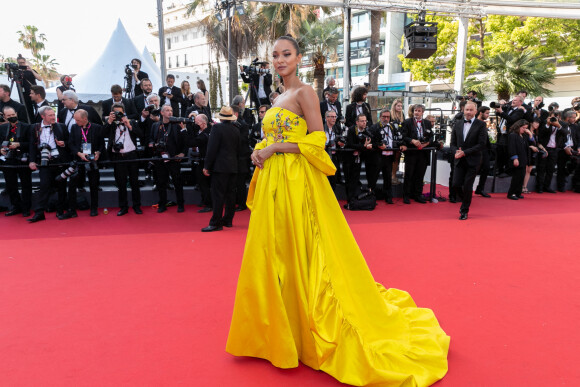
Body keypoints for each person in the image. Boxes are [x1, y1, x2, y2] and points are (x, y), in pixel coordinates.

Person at [226, 35, 449, 387]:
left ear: (298, 58)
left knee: (304, 250)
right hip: (274, 182)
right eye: (275, 55)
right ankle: (279, 328)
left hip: (296, 181)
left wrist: (275, 149)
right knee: (275, 250)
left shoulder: (304, 93)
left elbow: (317, 138)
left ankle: (306, 325)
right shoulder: (276, 97)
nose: (280, 60)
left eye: (286, 54)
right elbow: (277, 135)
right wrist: (261, 149)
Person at [27, 106, 71, 222]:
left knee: (61, 186)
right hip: (44, 161)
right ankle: (39, 212)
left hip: (59, 160)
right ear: (43, 116)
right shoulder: (35, 128)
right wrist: (31, 161)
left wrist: (63, 143)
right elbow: (31, 145)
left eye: (53, 115)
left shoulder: (61, 126)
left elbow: (70, 142)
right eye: (50, 115)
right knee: (44, 186)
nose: (53, 117)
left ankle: (60, 211)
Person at [201, 106, 240, 232]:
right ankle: (228, 220)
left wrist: (207, 166)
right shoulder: (236, 130)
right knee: (230, 195)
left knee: (218, 196)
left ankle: (216, 223)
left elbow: (212, 148)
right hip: (233, 166)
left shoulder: (217, 128)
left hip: (220, 167)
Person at [449, 101, 488, 220]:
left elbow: (481, 144)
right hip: (459, 160)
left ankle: (464, 210)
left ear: (476, 111)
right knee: (455, 184)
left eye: (471, 110)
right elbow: (452, 143)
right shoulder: (458, 124)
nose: (469, 112)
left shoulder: (481, 125)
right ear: (463, 110)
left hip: (473, 160)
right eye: (467, 110)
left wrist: (464, 152)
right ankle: (464, 199)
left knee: (467, 185)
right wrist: (456, 151)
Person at [105, 102, 143, 216]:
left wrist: (129, 125)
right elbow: (102, 134)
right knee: (121, 183)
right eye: (116, 113)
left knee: (134, 182)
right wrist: (109, 121)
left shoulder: (132, 122)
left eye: (120, 113)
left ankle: (137, 206)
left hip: (131, 155)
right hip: (118, 157)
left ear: (124, 112)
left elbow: (141, 135)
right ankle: (123, 207)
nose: (118, 115)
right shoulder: (110, 124)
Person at [149, 105, 187, 213]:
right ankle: (162, 204)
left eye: (171, 110)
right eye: (167, 110)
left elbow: (185, 141)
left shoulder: (177, 125)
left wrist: (182, 153)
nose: (170, 112)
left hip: (174, 158)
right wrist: (152, 144)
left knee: (177, 182)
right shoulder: (156, 125)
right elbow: (151, 138)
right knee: (161, 182)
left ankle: (180, 204)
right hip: (160, 158)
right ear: (161, 113)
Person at [68, 109, 104, 217]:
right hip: (78, 160)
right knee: (72, 184)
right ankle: (72, 209)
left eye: (78, 120)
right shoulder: (74, 128)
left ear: (85, 119)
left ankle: (94, 208)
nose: (76, 122)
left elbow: (101, 144)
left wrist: (98, 152)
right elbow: (71, 144)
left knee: (94, 184)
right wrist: (79, 153)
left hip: (92, 160)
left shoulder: (97, 127)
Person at [368, 107, 406, 204]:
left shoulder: (393, 127)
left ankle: (388, 197)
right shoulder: (374, 127)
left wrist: (401, 144)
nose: (386, 119)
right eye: (384, 117)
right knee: (374, 178)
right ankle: (370, 196)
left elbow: (397, 139)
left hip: (389, 156)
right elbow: (370, 142)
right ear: (380, 117)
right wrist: (379, 145)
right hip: (378, 156)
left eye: (388, 117)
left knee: (388, 178)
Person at [0, 107, 32, 217]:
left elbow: (32, 144)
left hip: (22, 160)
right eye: (8, 116)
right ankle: (15, 206)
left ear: (16, 113)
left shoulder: (27, 127)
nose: (11, 117)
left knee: (26, 184)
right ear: (4, 117)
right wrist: (1, 149)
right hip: (8, 161)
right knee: (11, 185)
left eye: (13, 114)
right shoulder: (3, 128)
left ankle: (26, 207)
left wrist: (19, 145)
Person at [402, 104, 435, 204]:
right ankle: (406, 195)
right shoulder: (407, 122)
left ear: (422, 112)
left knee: (420, 175)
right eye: (415, 110)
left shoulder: (427, 123)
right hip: (411, 152)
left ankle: (418, 194)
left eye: (419, 111)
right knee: (409, 174)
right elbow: (403, 136)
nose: (417, 112)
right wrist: (412, 140)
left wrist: (427, 143)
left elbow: (431, 136)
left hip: (423, 153)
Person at [494, 95, 526, 176]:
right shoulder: (508, 108)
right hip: (501, 134)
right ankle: (499, 169)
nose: (513, 101)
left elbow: (511, 119)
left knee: (507, 152)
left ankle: (508, 171)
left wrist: (501, 112)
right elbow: (498, 114)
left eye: (515, 100)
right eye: (513, 100)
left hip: (509, 134)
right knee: (500, 151)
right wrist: (499, 108)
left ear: (520, 102)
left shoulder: (520, 111)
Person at [189, 114, 212, 213]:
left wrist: (184, 130)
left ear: (203, 123)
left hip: (206, 161)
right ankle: (205, 200)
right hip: (202, 160)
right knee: (201, 182)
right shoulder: (202, 132)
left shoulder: (206, 134)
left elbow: (192, 142)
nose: (195, 124)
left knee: (205, 183)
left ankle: (209, 204)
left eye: (197, 122)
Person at [231, 105, 251, 212]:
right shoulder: (231, 124)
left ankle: (242, 203)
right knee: (234, 182)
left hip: (242, 158)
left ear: (236, 114)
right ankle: (236, 202)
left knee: (240, 182)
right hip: (234, 158)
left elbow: (242, 140)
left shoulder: (243, 125)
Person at [507, 119, 530, 200]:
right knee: (516, 177)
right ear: (518, 126)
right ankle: (511, 193)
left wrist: (530, 134)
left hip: (523, 159)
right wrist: (515, 158)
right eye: (523, 128)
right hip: (517, 159)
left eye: (526, 128)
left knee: (521, 177)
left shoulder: (523, 136)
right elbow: (512, 147)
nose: (524, 129)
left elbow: (531, 144)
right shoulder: (513, 135)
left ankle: (518, 192)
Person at [16, 55, 42, 122]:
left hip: (34, 91)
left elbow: (39, 78)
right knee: (28, 109)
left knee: (38, 106)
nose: (21, 64)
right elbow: (12, 77)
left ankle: (39, 121)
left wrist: (31, 70)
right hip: (24, 93)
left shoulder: (31, 70)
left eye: (23, 63)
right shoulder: (18, 72)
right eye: (20, 63)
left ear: (25, 62)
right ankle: (31, 122)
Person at [474, 106, 492, 197]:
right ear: (481, 113)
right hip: (476, 149)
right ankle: (467, 189)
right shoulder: (475, 122)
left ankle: (480, 189)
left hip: (484, 149)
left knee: (486, 168)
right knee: (474, 169)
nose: (488, 115)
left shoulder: (484, 123)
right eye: (487, 113)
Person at [523, 119, 541, 194]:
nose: (537, 124)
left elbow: (537, 143)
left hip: (533, 154)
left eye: (538, 123)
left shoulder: (536, 133)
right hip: (526, 152)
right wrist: (531, 147)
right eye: (536, 122)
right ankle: (521, 187)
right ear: (531, 123)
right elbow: (523, 143)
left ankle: (524, 186)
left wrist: (543, 149)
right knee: (525, 169)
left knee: (529, 170)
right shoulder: (526, 131)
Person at [390, 99, 405, 185]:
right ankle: (390, 176)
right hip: (391, 140)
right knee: (391, 159)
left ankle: (393, 176)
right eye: (398, 106)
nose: (400, 107)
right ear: (394, 106)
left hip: (399, 140)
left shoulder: (402, 115)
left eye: (401, 106)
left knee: (397, 159)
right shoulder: (390, 115)